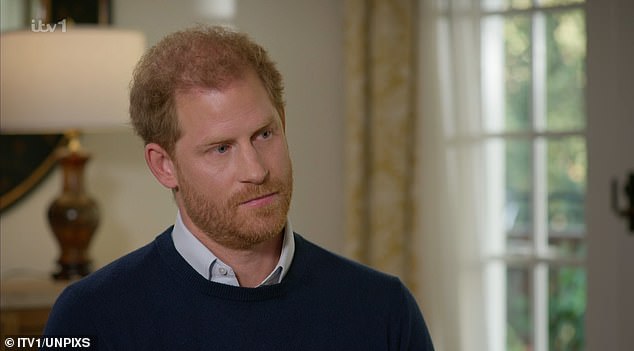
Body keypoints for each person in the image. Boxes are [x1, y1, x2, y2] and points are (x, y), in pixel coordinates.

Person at [43, 25, 435, 350]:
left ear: (282, 120)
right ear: (164, 166)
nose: (256, 170)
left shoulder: (383, 309)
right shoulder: (89, 318)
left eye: (265, 134)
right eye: (221, 148)